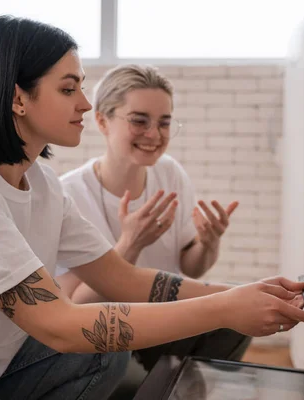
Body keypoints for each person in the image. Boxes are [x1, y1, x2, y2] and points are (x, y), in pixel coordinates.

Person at [0, 15, 304, 400]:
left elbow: (121, 279)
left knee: (122, 349)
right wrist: (225, 306)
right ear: (16, 97)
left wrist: (248, 292)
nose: (86, 104)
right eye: (69, 90)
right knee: (109, 343)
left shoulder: (39, 182)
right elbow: (61, 324)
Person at [58, 64, 249, 372]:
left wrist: (208, 242)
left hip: (166, 321)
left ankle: (191, 390)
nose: (154, 135)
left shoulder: (169, 172)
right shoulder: (68, 193)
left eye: (164, 123)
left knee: (239, 308)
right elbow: (75, 307)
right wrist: (129, 245)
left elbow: (191, 267)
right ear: (102, 121)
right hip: (111, 334)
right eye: (139, 121)